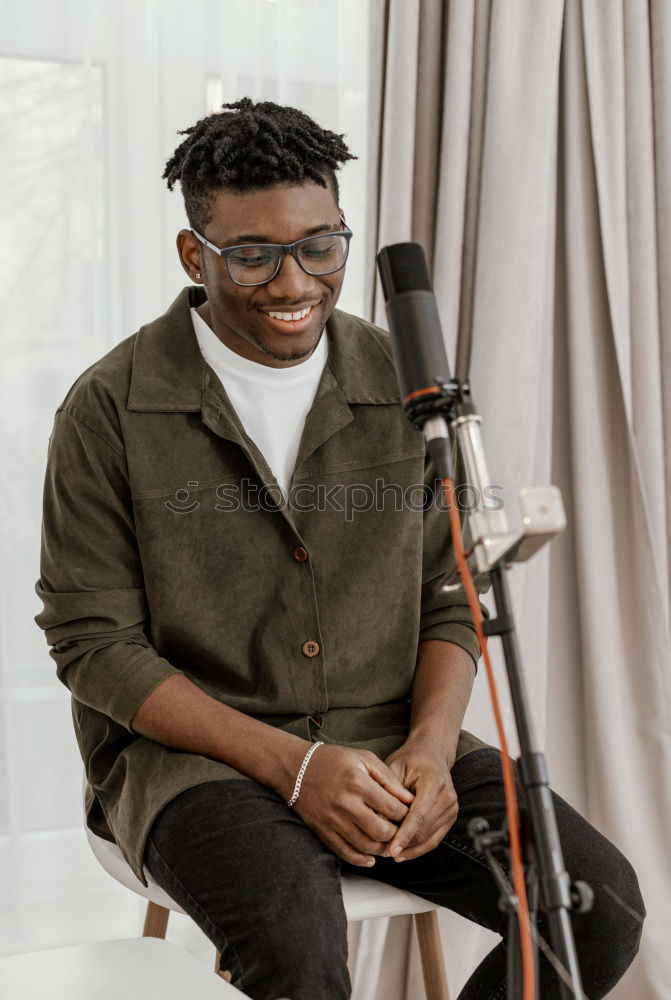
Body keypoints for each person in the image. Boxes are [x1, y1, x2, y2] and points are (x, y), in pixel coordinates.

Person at [35, 98, 644, 1000]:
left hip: (392, 748)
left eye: (321, 247)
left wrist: (433, 753)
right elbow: (93, 644)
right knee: (297, 945)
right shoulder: (109, 407)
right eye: (253, 256)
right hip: (196, 765)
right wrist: (294, 767)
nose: (294, 285)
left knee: (596, 909)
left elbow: (450, 595)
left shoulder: (405, 386)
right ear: (194, 254)